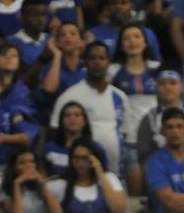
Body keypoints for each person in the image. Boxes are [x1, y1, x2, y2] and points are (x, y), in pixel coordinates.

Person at [50, 41, 129, 180]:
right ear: (85, 62)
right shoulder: (69, 96)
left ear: (108, 62)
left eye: (101, 58)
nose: (97, 62)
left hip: (116, 172)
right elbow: (55, 130)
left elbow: (125, 133)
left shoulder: (120, 97)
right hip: (82, 175)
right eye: (92, 58)